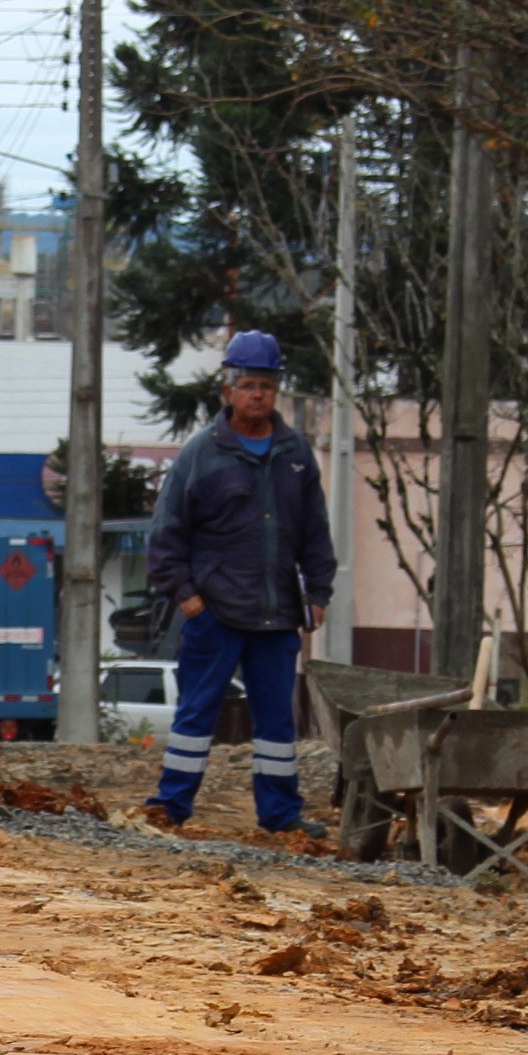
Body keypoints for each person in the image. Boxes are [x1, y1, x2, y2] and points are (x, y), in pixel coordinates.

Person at [142, 330, 336, 835]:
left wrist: (318, 592)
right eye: (249, 384)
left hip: (276, 614)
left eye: (267, 385)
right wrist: (187, 598)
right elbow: (166, 534)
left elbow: (315, 530)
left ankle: (281, 815)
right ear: (228, 390)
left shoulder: (296, 455)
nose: (258, 394)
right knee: (196, 714)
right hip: (215, 613)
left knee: (277, 724)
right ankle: (171, 807)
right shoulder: (201, 455)